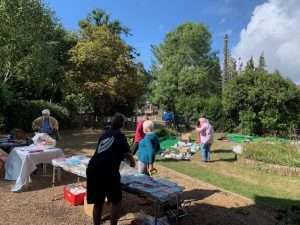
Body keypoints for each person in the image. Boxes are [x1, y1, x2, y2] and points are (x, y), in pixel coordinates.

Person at [86, 113, 135, 225]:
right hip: (108, 171)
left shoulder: (104, 134)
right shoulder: (120, 136)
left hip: (93, 169)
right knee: (116, 201)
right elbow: (128, 154)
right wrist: (133, 163)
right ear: (122, 124)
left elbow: (105, 151)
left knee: (98, 202)